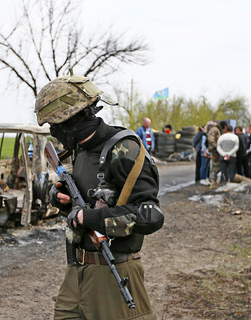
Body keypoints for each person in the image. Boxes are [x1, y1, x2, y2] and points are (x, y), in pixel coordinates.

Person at [35, 75, 163, 319]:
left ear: (75, 119)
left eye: (56, 123)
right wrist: (61, 198)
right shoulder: (80, 149)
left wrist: (89, 218)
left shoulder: (124, 149)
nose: (54, 131)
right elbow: (84, 199)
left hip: (115, 272)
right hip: (77, 271)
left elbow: (151, 217)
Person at [207, 121, 223, 186]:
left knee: (215, 165)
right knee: (215, 165)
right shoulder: (214, 130)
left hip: (214, 149)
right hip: (215, 150)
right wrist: (217, 147)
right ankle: (213, 181)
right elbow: (211, 140)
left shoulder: (212, 130)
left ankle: (213, 180)